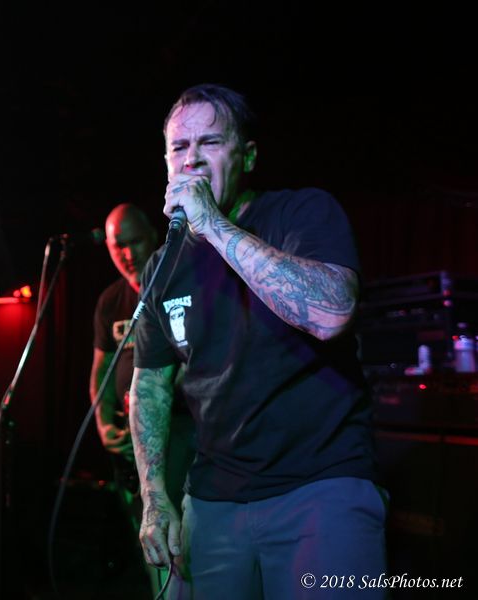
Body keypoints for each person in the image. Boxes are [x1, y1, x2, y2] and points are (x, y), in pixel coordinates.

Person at [130, 84, 386, 599]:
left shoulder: (301, 212)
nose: (191, 159)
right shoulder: (163, 264)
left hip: (320, 485)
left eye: (210, 142)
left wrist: (212, 225)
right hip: (213, 499)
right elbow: (150, 385)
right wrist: (154, 497)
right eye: (179, 147)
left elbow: (332, 313)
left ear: (246, 156)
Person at [90, 203, 195, 593]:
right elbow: (100, 371)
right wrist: (104, 423)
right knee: (152, 547)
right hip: (133, 448)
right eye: (117, 246)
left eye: (134, 242)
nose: (127, 254)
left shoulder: (177, 283)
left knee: (184, 547)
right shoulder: (110, 301)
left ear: (153, 234)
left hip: (181, 435)